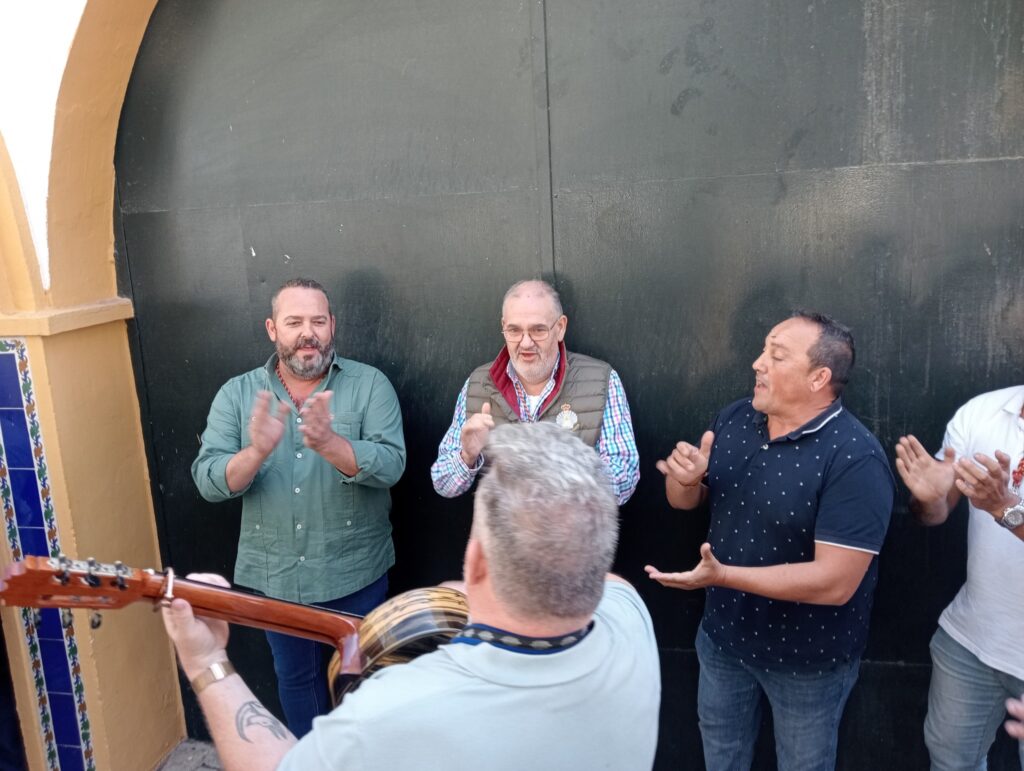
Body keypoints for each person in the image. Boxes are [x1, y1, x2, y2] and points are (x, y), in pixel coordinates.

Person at [165, 422, 661, 771]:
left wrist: (206, 660)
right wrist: (471, 594)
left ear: (477, 561)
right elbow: (611, 583)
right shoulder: (631, 622)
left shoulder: (395, 709)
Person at [645, 311, 893, 771]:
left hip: (808, 663)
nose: (757, 363)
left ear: (819, 378)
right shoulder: (737, 418)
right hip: (722, 642)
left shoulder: (855, 458)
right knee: (722, 757)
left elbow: (836, 582)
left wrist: (722, 576)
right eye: (763, 350)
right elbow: (685, 503)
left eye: (776, 356)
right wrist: (685, 480)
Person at [191, 277, 406, 737]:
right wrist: (255, 452)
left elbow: (392, 465)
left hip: (356, 573)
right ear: (273, 329)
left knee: (362, 685)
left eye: (318, 321)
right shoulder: (237, 394)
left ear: (333, 326)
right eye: (294, 322)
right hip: (278, 578)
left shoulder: (370, 385)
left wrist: (331, 444)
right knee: (297, 683)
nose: (308, 333)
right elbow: (208, 481)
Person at [895, 385, 1024, 769]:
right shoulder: (983, 411)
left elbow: (1003, 509)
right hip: (970, 641)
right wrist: (929, 498)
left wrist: (1006, 509)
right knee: (950, 763)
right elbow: (934, 514)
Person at [430, 279, 639, 505]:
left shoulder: (601, 380)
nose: (526, 343)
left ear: (560, 328)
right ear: (504, 327)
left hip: (571, 528)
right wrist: (467, 456)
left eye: (538, 330)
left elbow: (624, 478)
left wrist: (557, 478)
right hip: (503, 529)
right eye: (514, 330)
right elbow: (443, 483)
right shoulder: (477, 384)